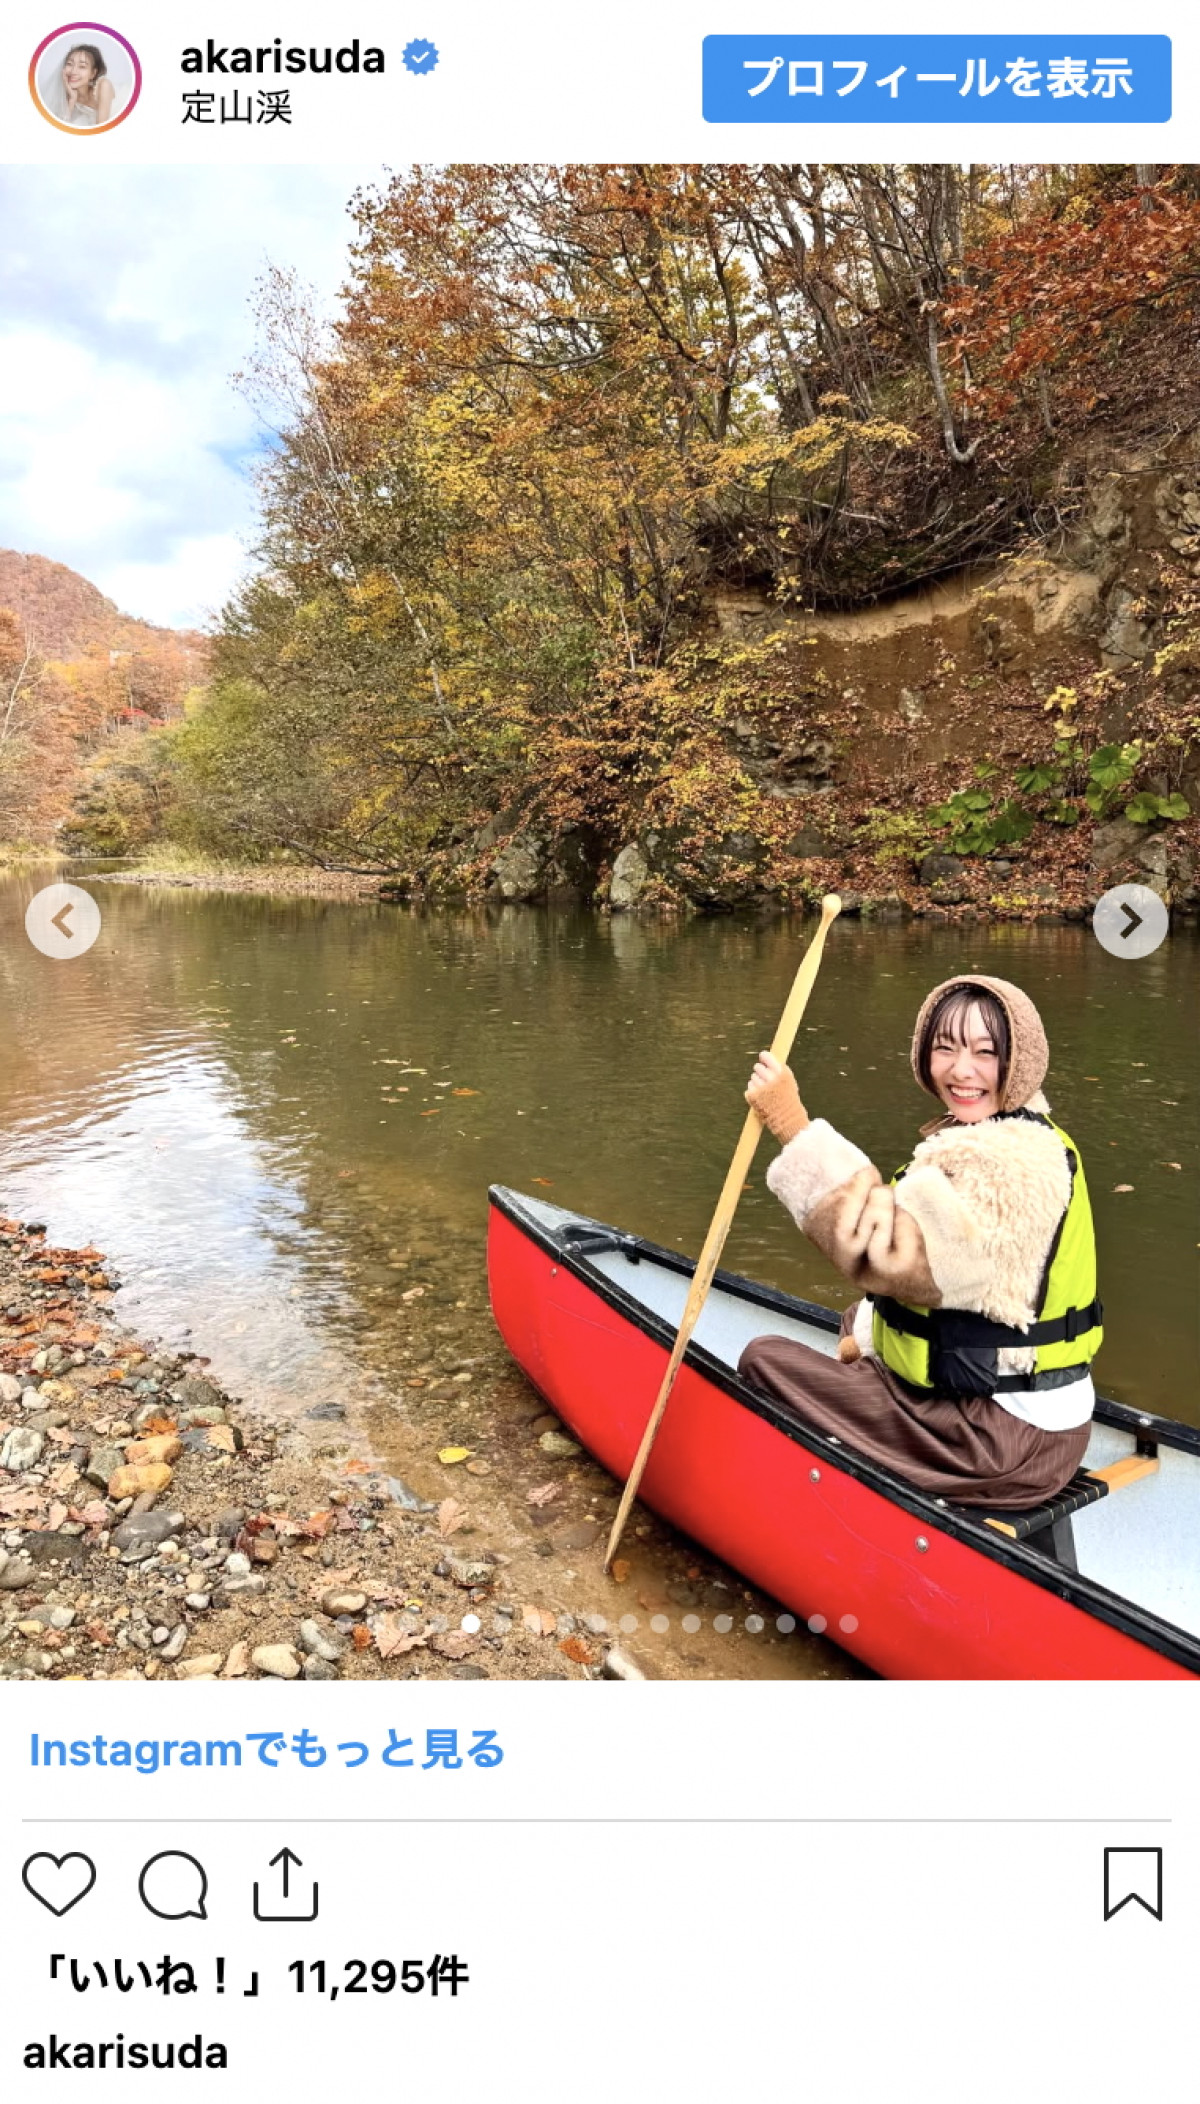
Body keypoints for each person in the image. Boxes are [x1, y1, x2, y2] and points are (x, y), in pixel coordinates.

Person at [738, 975, 1102, 1510]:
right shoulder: (1017, 1131)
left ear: (1019, 1062)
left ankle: (825, 1506)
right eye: (945, 1048)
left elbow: (883, 1250)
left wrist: (792, 1123)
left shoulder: (1010, 1164)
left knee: (762, 1359)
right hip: (1028, 1426)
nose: (961, 1070)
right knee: (857, 1319)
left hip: (998, 1443)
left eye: (985, 1052)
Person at [48, 44, 116, 127]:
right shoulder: (66, 93)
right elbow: (61, 126)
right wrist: (72, 99)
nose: (73, 71)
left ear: (93, 73)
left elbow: (101, 129)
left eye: (82, 66)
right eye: (69, 64)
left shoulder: (104, 85)